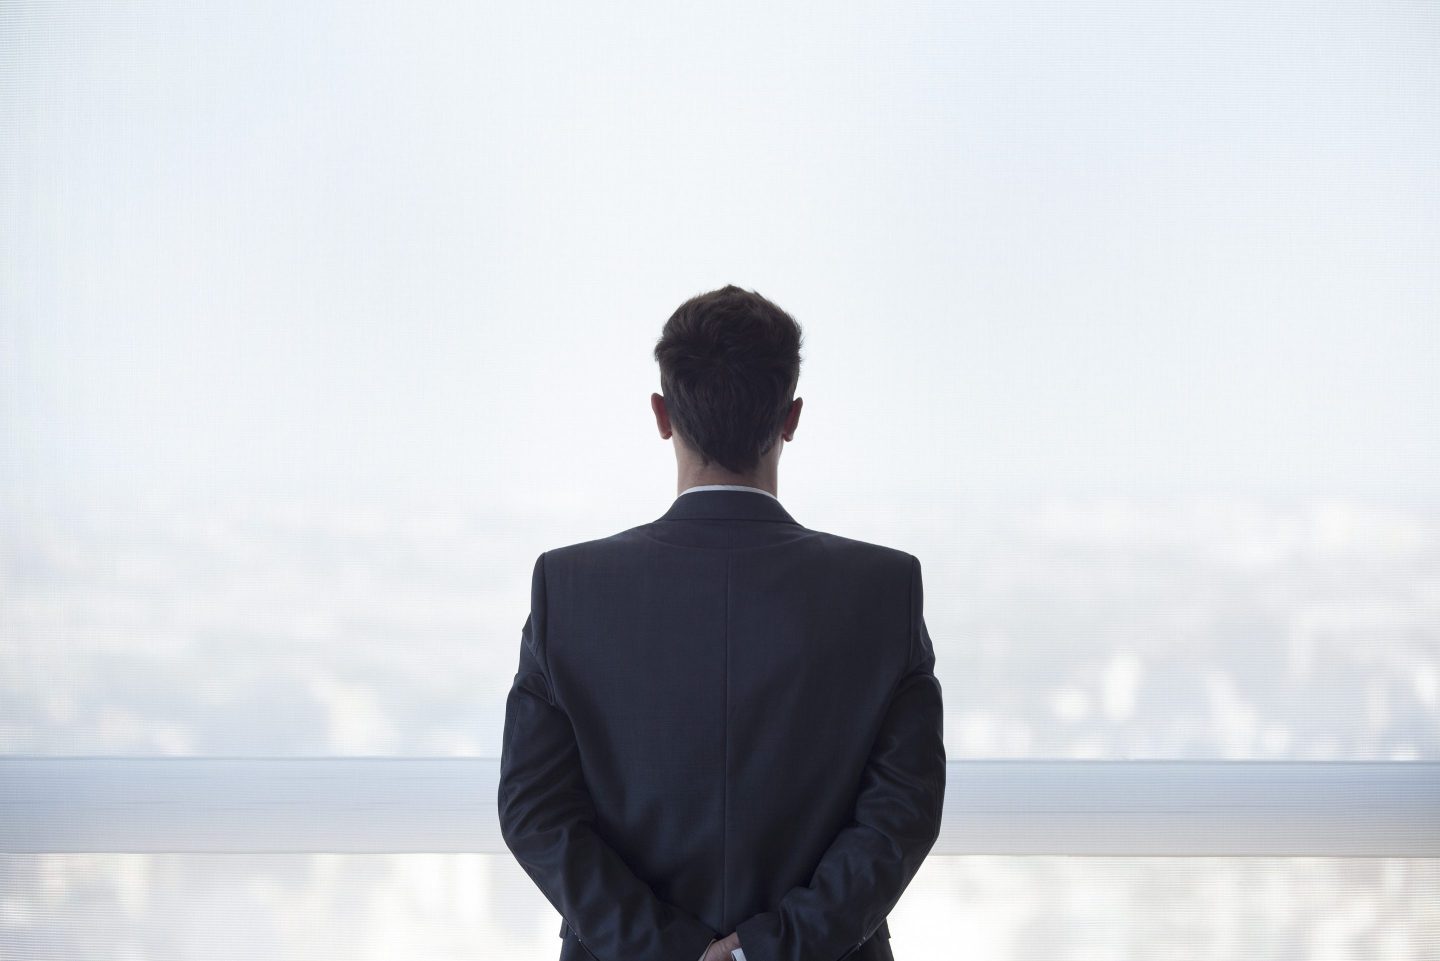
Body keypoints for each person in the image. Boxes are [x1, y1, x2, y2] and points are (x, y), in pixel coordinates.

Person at [497, 285, 946, 961]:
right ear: (791, 417)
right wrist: (761, 950)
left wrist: (673, 949)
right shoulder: (884, 589)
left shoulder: (569, 588)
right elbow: (899, 818)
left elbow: (537, 814)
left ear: (661, 414)